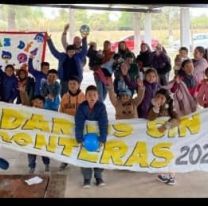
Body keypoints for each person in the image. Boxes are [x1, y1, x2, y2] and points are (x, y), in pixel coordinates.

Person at [75, 85, 108, 188]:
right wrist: (79, 139)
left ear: (98, 96)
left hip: (97, 138)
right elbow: (79, 123)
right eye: (89, 95)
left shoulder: (101, 107)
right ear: (85, 97)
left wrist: (102, 138)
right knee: (85, 157)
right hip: (85, 138)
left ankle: (98, 177)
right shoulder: (81, 107)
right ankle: (87, 179)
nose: (92, 97)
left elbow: (104, 123)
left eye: (94, 95)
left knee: (99, 156)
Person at [147, 88, 179, 185]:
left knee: (170, 154)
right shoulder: (152, 107)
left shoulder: (170, 108)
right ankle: (164, 174)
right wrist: (155, 108)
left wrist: (166, 126)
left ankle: (172, 176)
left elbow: (177, 119)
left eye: (162, 97)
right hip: (158, 138)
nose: (159, 99)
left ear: (166, 99)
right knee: (161, 155)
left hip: (168, 137)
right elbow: (150, 118)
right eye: (157, 97)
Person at [19, 87, 50, 174]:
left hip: (42, 138)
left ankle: (47, 165)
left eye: (40, 103)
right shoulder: (29, 112)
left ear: (43, 105)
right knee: (31, 155)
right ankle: (32, 167)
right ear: (32, 103)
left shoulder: (48, 114)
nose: (38, 104)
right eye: (35, 102)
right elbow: (25, 102)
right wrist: (23, 92)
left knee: (45, 154)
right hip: (31, 138)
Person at [59, 76, 85, 170]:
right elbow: (61, 111)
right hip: (68, 126)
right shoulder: (65, 97)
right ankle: (65, 161)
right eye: (70, 84)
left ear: (78, 85)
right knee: (67, 143)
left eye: (74, 83)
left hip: (81, 125)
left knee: (81, 143)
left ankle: (82, 161)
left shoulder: (83, 96)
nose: (72, 86)